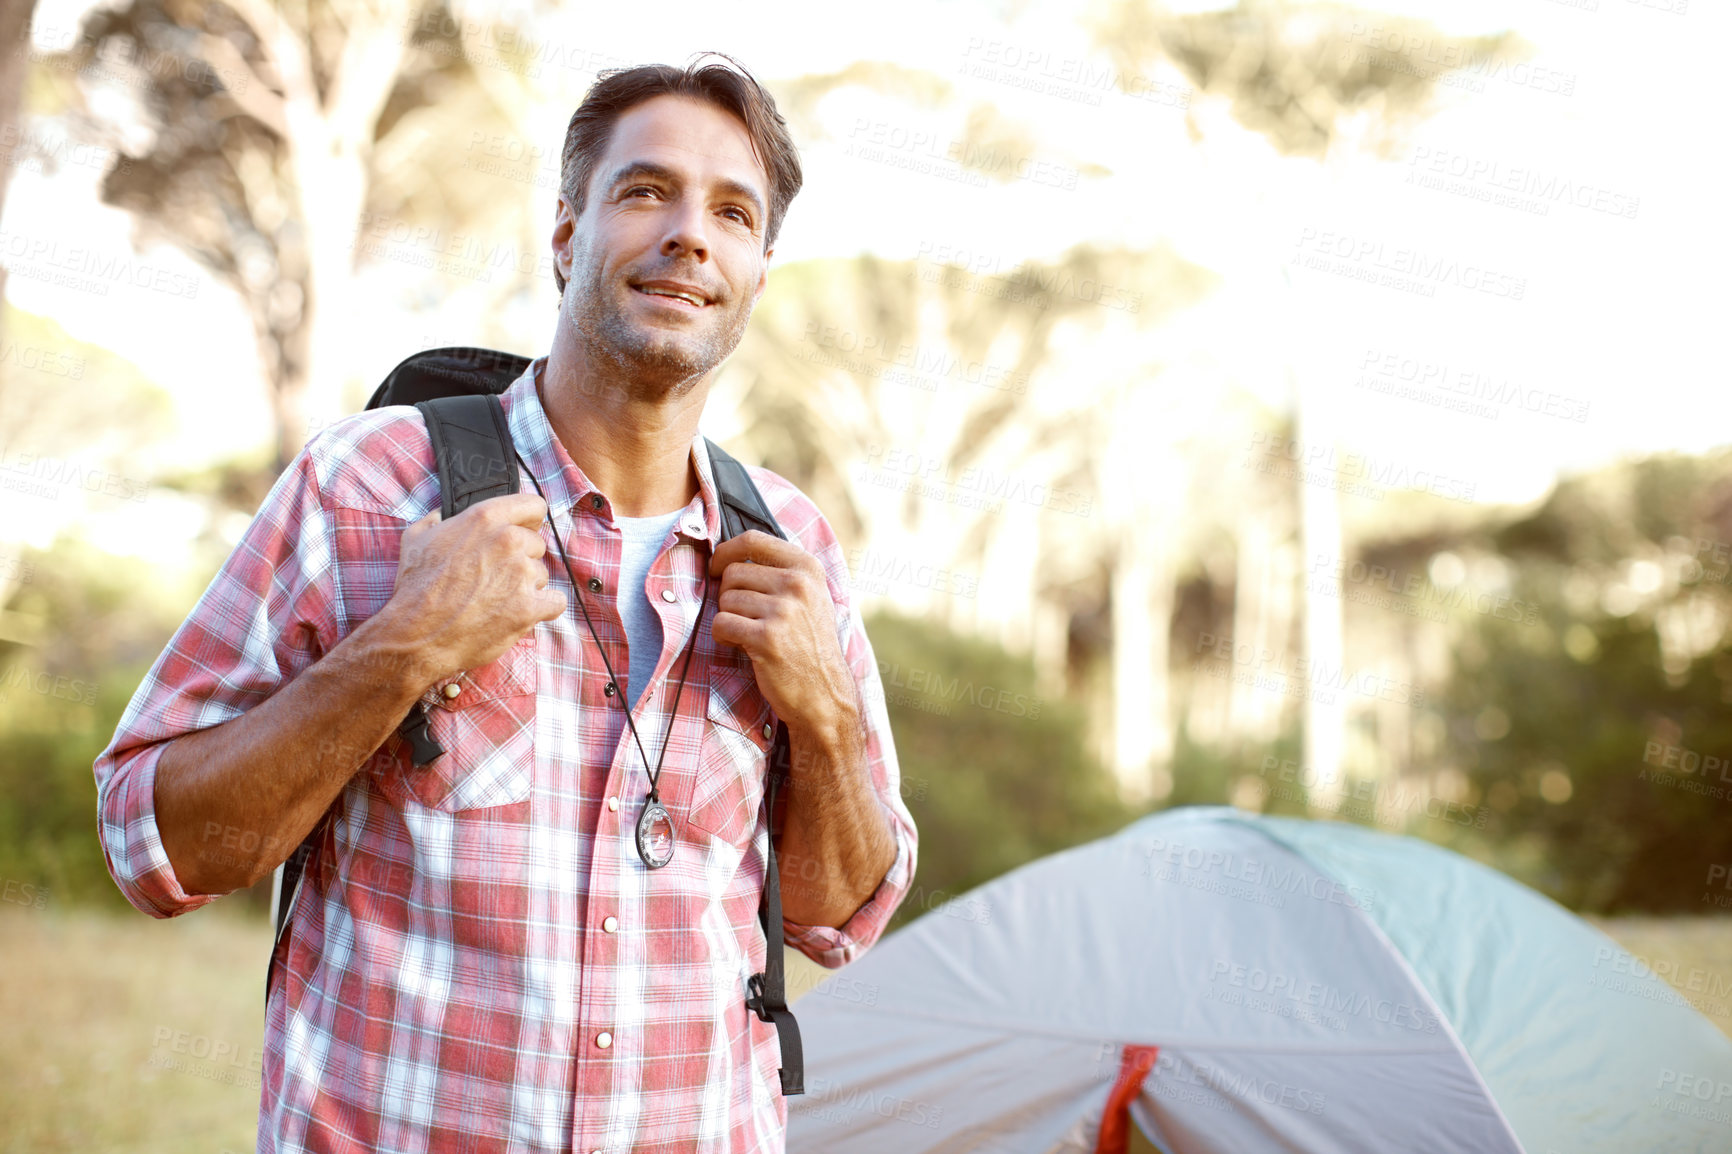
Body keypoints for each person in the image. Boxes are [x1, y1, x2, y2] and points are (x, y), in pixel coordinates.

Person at [93, 53, 917, 1153]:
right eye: (646, 191)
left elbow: (836, 914)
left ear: (757, 274)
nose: (689, 234)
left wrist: (827, 716)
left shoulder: (791, 544)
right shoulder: (365, 486)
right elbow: (153, 846)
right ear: (567, 233)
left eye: (733, 212)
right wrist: (402, 647)